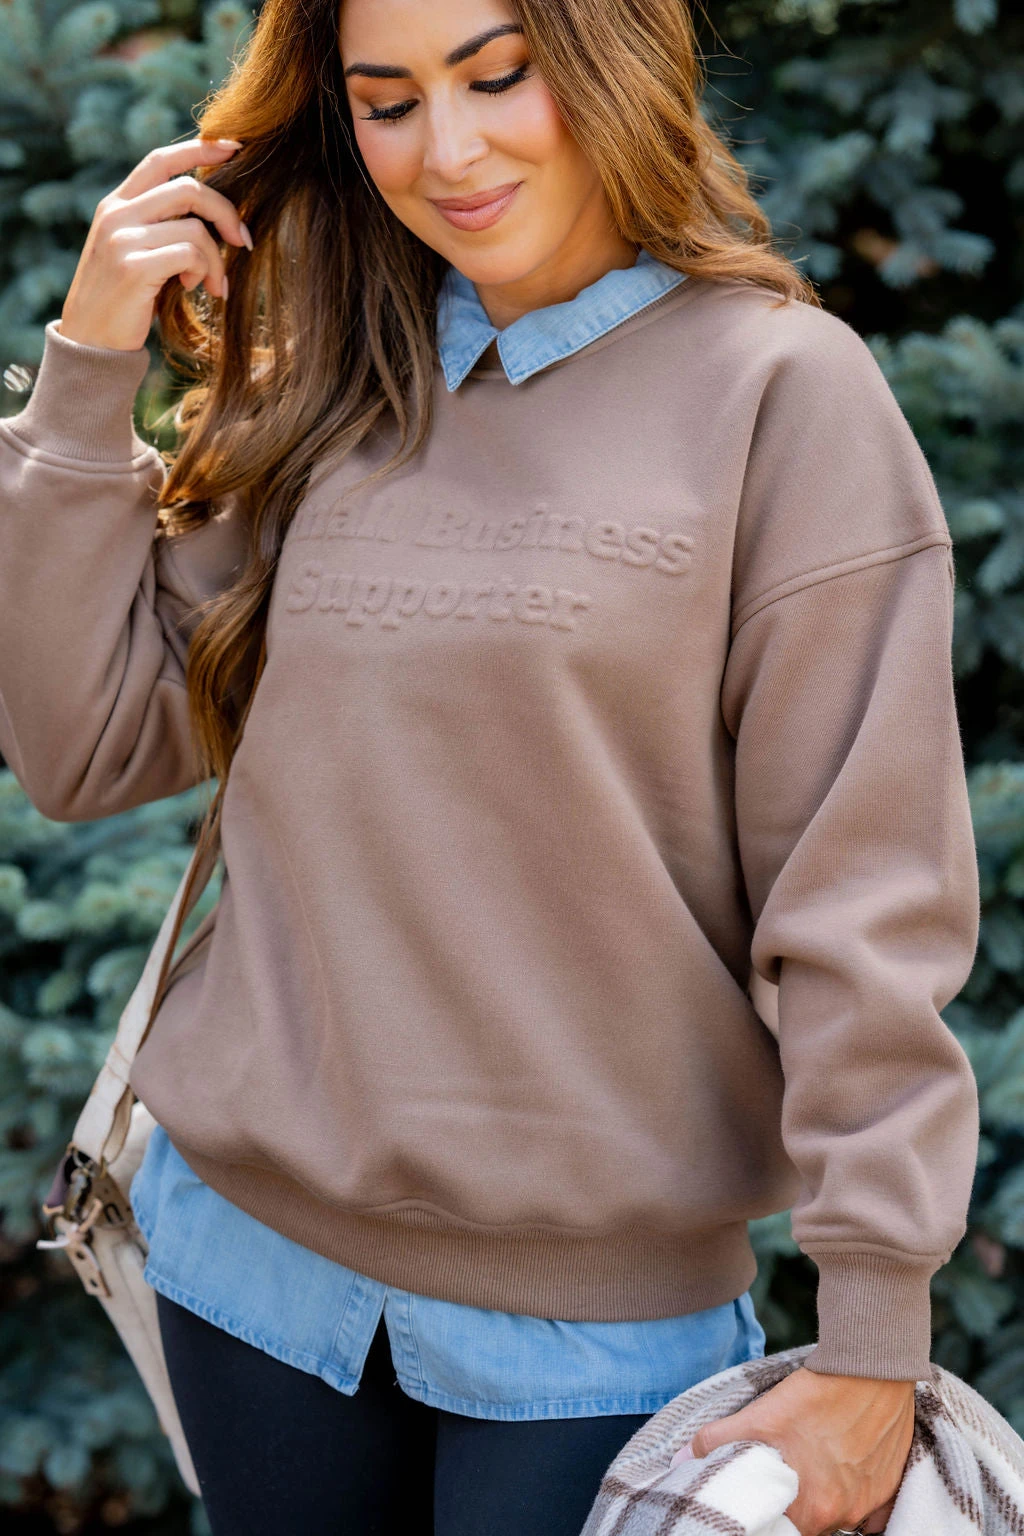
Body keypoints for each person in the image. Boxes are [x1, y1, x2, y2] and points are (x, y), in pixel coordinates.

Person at [0, 0, 980, 1532]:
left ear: (606, 61)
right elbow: (83, 746)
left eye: (497, 77)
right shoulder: (337, 380)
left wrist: (873, 1332)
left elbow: (862, 899)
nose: (447, 151)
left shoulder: (784, 398)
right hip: (246, 1272)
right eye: (387, 101)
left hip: (592, 1332)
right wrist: (86, 372)